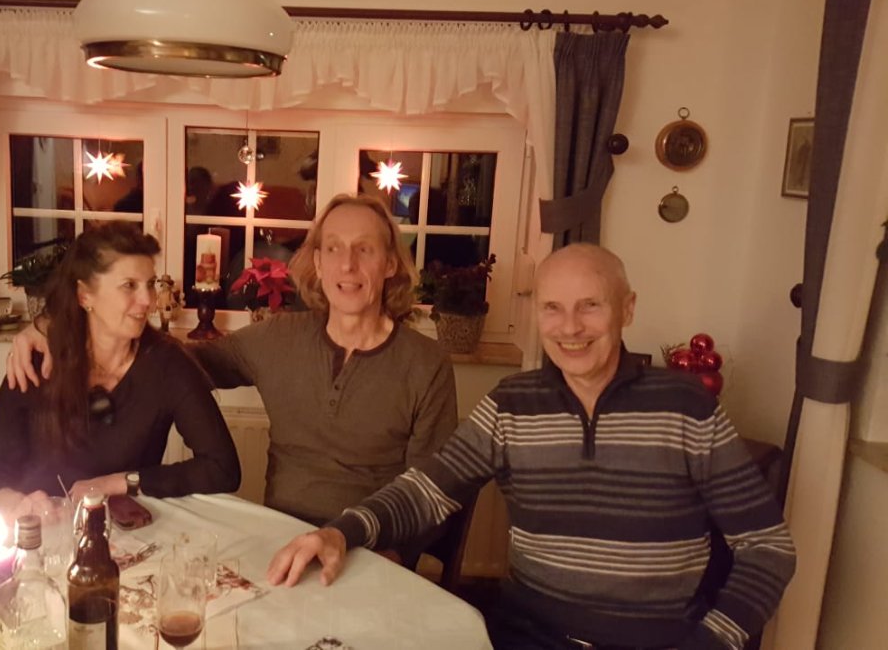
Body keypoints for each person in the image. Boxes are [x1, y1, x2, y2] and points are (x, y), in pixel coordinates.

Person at [267, 243, 796, 650]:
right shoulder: (513, 404)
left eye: (590, 306)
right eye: (552, 308)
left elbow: (769, 549)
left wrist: (709, 643)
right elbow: (427, 491)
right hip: (528, 637)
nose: (570, 328)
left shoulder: (685, 407)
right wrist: (340, 532)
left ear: (627, 308)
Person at [6, 194, 458, 538]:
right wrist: (55, 326)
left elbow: (432, 491)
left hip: (374, 545)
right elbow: (171, 363)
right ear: (318, 263)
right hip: (281, 536)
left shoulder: (426, 364)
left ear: (391, 263)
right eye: (334, 249)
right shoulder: (277, 338)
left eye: (365, 250)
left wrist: (392, 554)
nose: (348, 264)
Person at [0, 221, 240, 521]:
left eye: (150, 284)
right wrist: (11, 502)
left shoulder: (166, 363)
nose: (148, 301)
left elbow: (222, 468)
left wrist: (119, 482)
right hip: (41, 531)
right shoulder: (39, 357)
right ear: (85, 296)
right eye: (129, 285)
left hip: (126, 536)